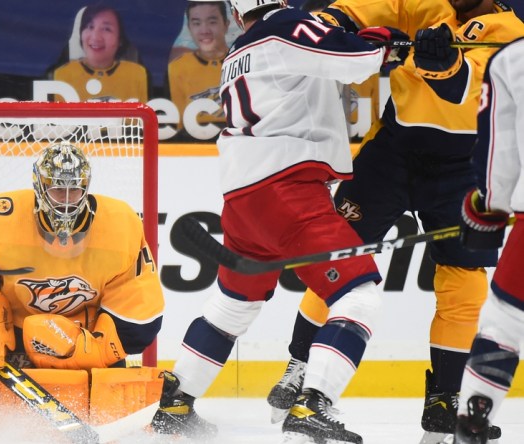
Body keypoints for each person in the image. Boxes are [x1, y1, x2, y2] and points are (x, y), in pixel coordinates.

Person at [149, 0, 411, 442]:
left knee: (234, 304)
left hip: (242, 198)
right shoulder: (286, 24)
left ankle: (176, 404)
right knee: (358, 296)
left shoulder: (237, 53)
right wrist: (388, 44)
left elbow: (312, 61)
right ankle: (311, 408)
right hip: (286, 191)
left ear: (235, 15)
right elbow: (354, 63)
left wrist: (367, 43)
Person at [266, 1, 524, 442]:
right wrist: (336, 20)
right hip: (393, 151)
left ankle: (445, 398)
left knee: (464, 279)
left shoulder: (512, 34)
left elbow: (463, 90)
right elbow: (377, 7)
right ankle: (301, 364)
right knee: (338, 255)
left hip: (464, 165)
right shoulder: (431, 6)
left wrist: (441, 61)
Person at [0, 143, 164, 375]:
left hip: (85, 341)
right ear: (39, 185)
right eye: (57, 190)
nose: (66, 200)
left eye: (74, 190)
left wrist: (85, 352)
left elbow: (139, 312)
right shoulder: (2, 216)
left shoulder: (120, 224)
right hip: (14, 340)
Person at [452, 37, 524, 444]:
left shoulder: (513, 59)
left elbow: (500, 157)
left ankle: (475, 417)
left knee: (504, 326)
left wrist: (487, 207)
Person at [52, 5, 149, 103]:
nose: (95, 37)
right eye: (90, 27)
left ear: (120, 39)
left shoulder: (136, 74)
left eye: (106, 29)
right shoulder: (62, 75)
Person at [167, 1, 231, 134]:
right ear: (189, 28)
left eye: (212, 22)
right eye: (196, 23)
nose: (204, 31)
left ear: (226, 25)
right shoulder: (176, 68)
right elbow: (176, 128)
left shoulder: (242, 61)